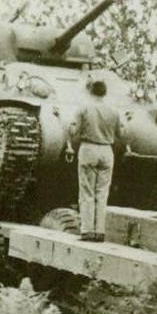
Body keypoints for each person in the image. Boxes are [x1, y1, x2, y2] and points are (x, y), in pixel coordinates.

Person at [67, 77, 124, 242]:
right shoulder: (113, 111)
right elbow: (121, 134)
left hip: (89, 149)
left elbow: (73, 131)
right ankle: (99, 232)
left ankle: (87, 231)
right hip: (107, 151)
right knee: (102, 193)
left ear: (90, 91)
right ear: (105, 93)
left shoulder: (84, 108)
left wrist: (70, 126)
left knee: (87, 192)